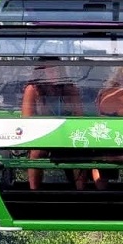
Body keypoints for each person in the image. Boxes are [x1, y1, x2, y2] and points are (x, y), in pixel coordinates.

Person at [22, 58, 85, 190]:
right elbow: (27, 118)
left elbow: (80, 116)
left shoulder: (70, 88)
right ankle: (34, 192)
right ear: (41, 73)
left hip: (67, 134)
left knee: (80, 151)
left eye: (56, 69)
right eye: (49, 69)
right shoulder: (33, 90)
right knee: (36, 153)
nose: (53, 72)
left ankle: (81, 193)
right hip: (42, 135)